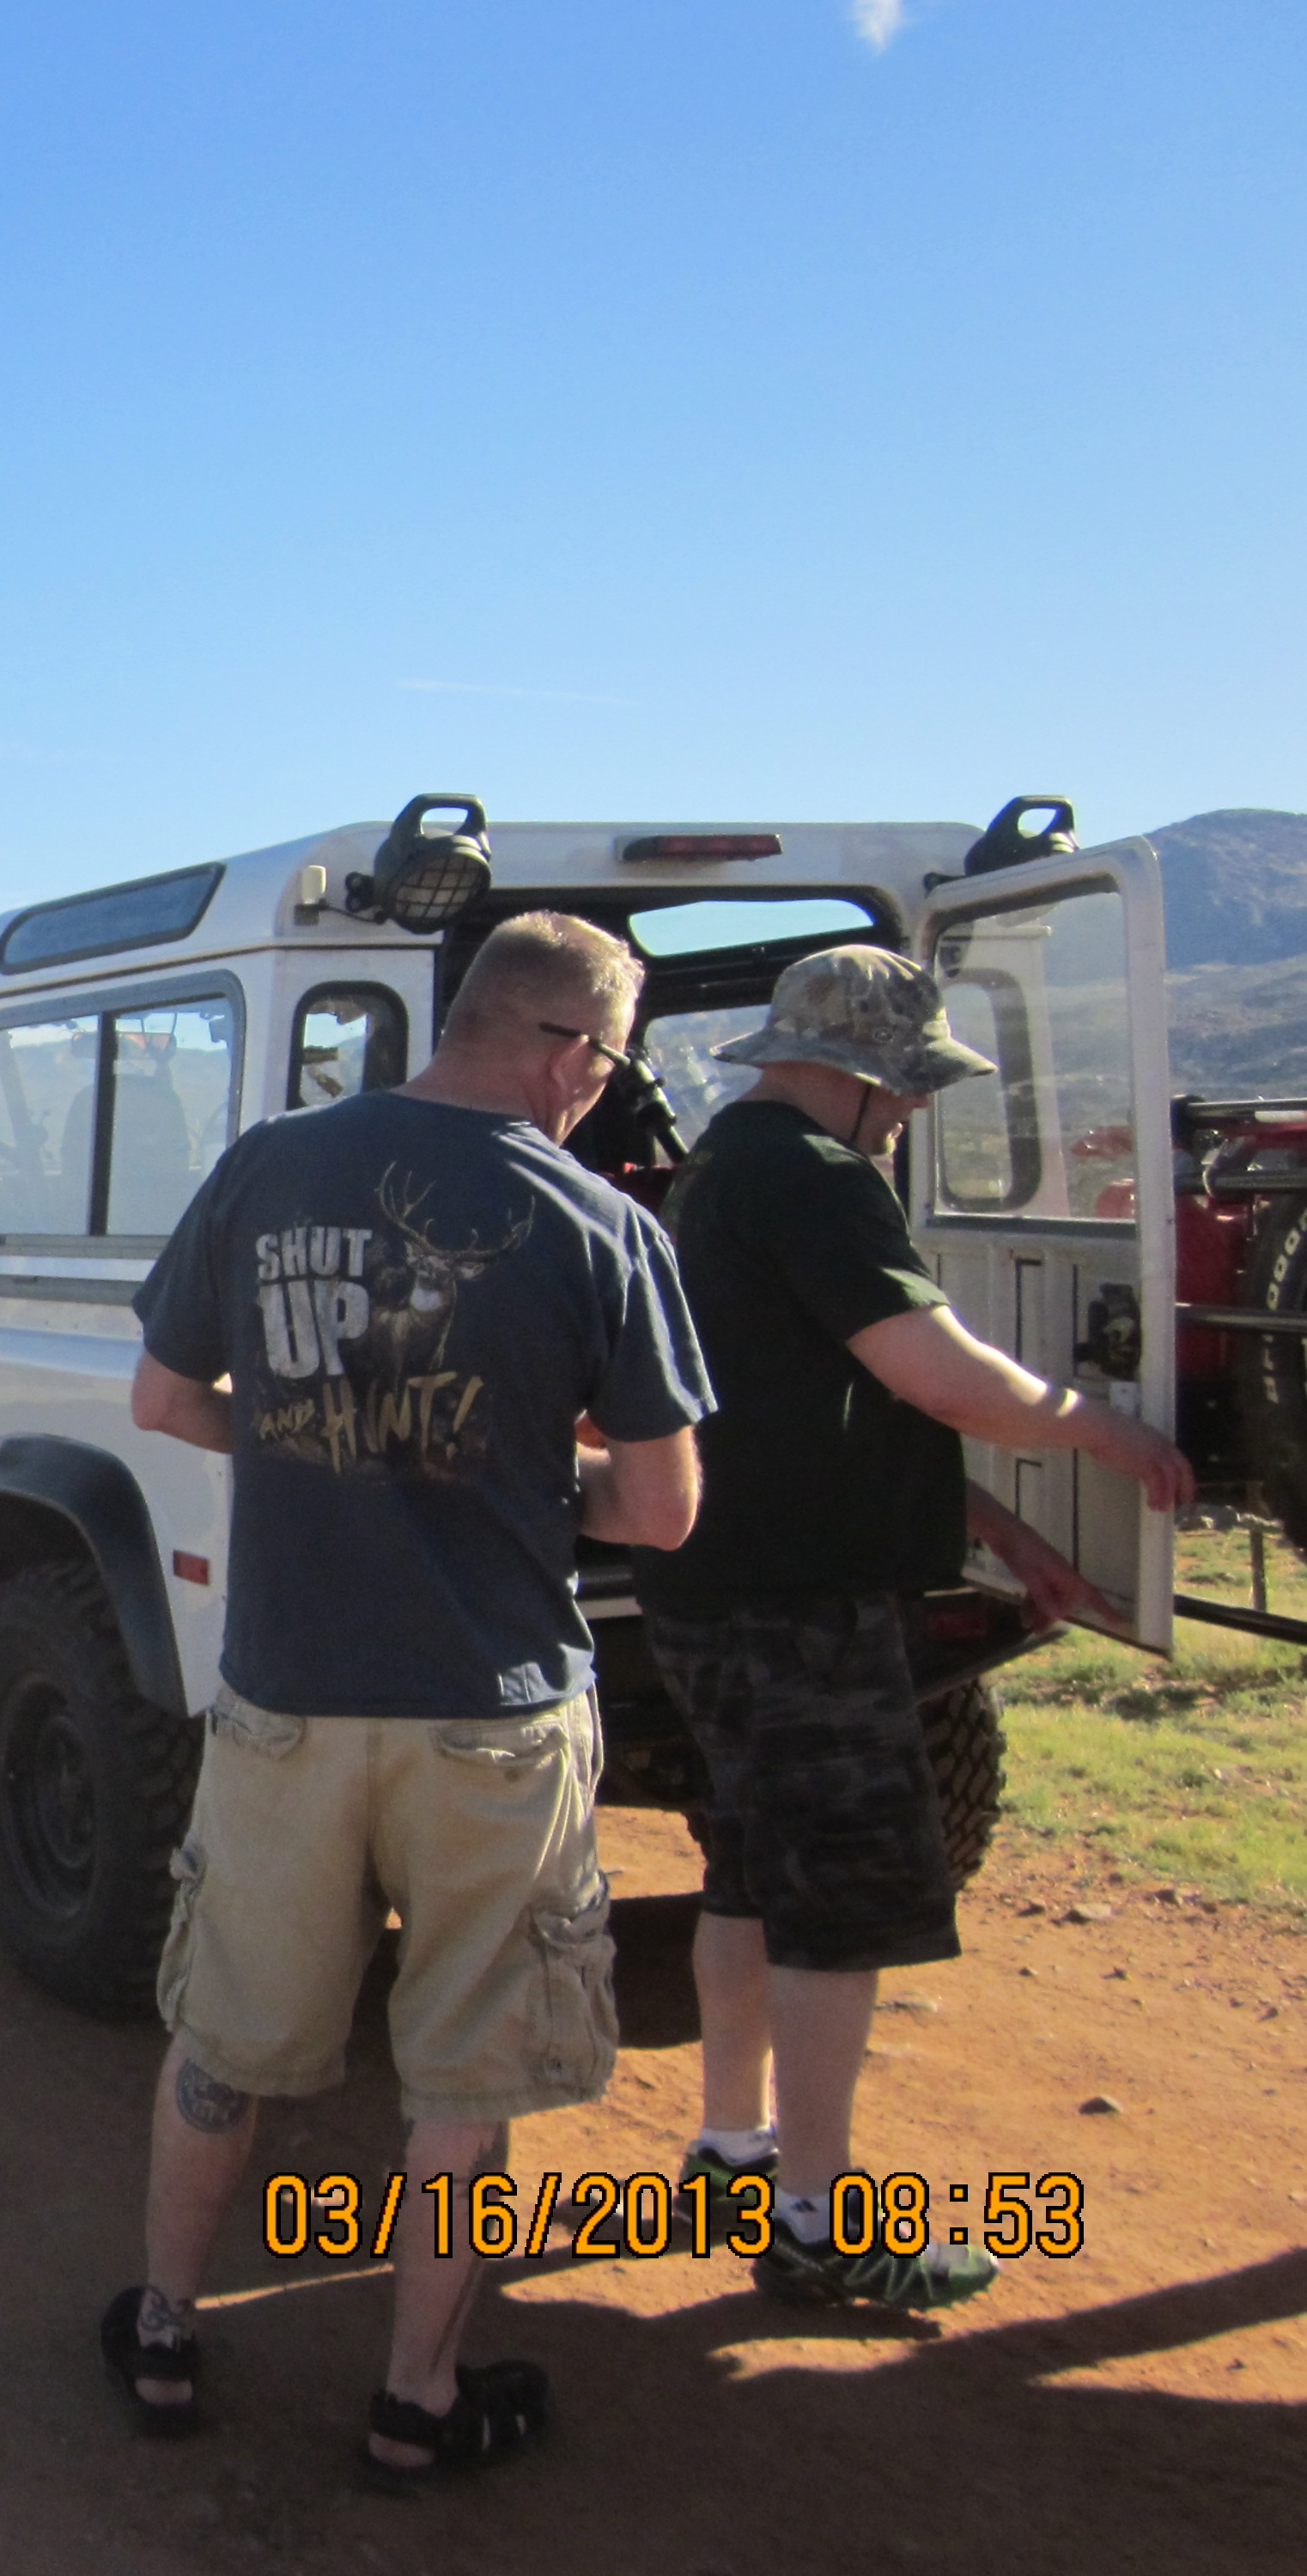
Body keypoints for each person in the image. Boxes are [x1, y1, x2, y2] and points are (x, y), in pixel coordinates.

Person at [116, 912, 710, 2492]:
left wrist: (306, 1442)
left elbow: (164, 1398)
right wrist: (527, 1486)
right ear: (566, 1049)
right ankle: (416, 2399)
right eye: (607, 1063)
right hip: (489, 1718)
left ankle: (163, 2333)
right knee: (462, 2078)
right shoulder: (598, 1225)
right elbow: (662, 1512)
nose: (600, 1091)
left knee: (224, 2038)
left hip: (286, 1702)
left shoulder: (266, 1167)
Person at [629, 947, 1191, 2309]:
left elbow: (838, 1402)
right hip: (799, 1609)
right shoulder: (816, 1178)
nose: (919, 1107)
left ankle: (732, 2147)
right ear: (863, 1073)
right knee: (842, 1905)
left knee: (749, 1873)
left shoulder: (723, 1168)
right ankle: (819, 2223)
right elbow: (936, 1376)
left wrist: (1005, 1538)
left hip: (716, 1591)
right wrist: (1102, 1430)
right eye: (911, 1082)